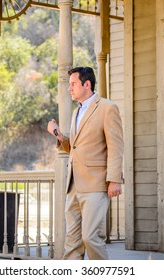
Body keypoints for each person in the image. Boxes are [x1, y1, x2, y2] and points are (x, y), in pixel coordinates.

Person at [47, 66, 124, 260]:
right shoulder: (76, 112)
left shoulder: (107, 108)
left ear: (86, 84)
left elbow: (116, 146)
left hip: (95, 185)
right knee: (72, 243)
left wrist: (115, 179)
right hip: (74, 186)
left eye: (73, 84)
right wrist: (57, 133)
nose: (69, 88)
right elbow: (75, 148)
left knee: (91, 238)